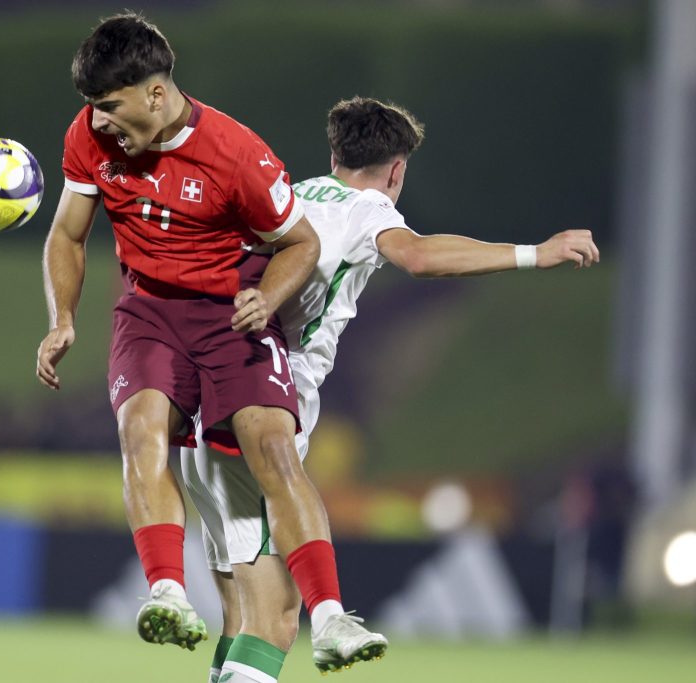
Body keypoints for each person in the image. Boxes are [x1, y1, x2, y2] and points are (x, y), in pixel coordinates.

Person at [182, 95, 600, 681]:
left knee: (241, 614)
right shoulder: (366, 209)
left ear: (335, 152)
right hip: (268, 403)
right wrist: (538, 251)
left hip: (203, 399)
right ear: (398, 169)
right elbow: (422, 257)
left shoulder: (290, 193)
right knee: (276, 616)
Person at [36, 13, 380, 665]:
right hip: (150, 312)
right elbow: (67, 235)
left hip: (231, 314)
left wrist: (266, 298)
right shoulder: (88, 137)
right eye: (93, 108)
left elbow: (300, 243)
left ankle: (332, 618)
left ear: (157, 94)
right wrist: (63, 318)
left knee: (275, 449)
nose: (99, 121)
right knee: (140, 430)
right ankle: (166, 590)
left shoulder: (236, 154)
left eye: (110, 106)